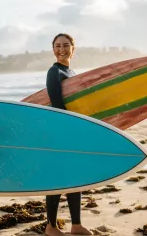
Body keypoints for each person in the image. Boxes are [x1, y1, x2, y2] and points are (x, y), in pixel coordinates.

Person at [45, 33, 93, 236]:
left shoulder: (71, 72)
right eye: (57, 46)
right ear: (53, 49)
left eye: (65, 45)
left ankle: (76, 224)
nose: (61, 49)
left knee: (75, 175)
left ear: (74, 48)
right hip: (60, 130)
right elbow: (57, 104)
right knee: (57, 176)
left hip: (73, 130)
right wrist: (71, 127)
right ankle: (51, 226)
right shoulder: (53, 72)